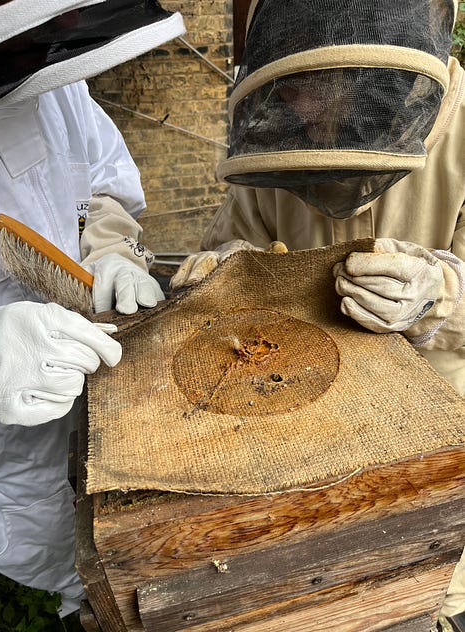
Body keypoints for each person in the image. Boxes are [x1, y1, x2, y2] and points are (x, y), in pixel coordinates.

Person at [170, 0, 465, 626]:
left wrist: (436, 293)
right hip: (287, 422)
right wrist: (221, 272)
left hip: (431, 445)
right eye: (292, 90)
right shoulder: (275, 125)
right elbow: (231, 242)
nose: (302, 111)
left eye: (319, 93)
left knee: (410, 596)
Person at [0, 0, 185, 617]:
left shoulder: (56, 87)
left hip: (94, 407)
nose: (62, 37)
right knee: (72, 570)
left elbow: (100, 188)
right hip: (5, 466)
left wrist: (111, 252)